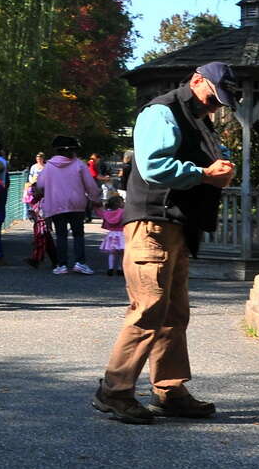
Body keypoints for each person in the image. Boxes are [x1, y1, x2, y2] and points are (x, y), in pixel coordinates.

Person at [92, 61, 238, 424]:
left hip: (174, 225)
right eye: (212, 97)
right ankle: (114, 391)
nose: (214, 106)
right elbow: (154, 166)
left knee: (173, 313)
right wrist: (204, 174)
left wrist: (217, 168)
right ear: (196, 80)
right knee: (148, 309)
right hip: (151, 224)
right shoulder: (161, 111)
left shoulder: (196, 118)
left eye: (220, 102)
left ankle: (170, 391)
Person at [32, 135, 102, 275]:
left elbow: (40, 185)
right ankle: (80, 263)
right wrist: (95, 199)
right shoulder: (79, 165)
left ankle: (62, 265)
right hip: (77, 204)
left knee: (61, 235)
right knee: (78, 234)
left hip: (56, 204)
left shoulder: (49, 166)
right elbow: (90, 185)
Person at [98, 194, 125, 276]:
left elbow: (100, 214)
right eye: (122, 201)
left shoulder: (107, 213)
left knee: (111, 253)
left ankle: (110, 268)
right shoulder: (123, 212)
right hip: (122, 235)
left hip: (111, 235)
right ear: (119, 204)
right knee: (122, 254)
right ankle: (120, 269)